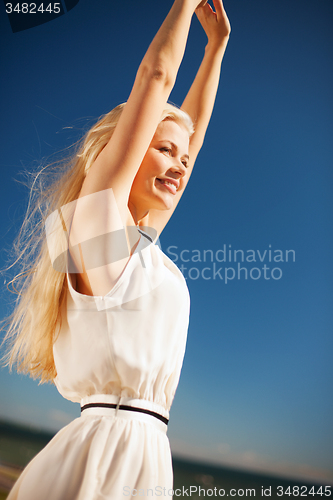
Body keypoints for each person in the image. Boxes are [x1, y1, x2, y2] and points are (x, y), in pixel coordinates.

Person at [3, 0, 230, 498]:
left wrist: (216, 49)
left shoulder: (138, 248)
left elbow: (192, 129)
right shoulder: (94, 228)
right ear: (121, 149)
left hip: (148, 455)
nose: (180, 164)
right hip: (104, 454)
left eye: (184, 158)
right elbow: (156, 79)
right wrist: (185, 5)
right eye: (162, 148)